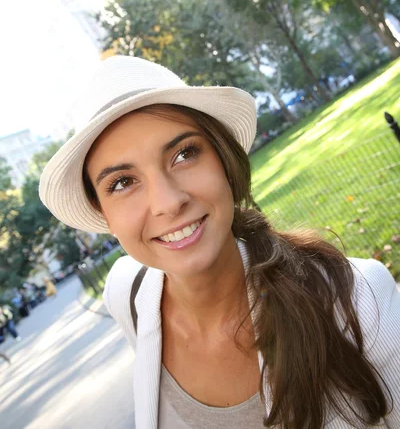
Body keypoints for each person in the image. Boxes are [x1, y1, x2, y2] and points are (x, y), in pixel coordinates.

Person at [39, 56, 400, 429]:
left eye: (184, 154)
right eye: (122, 182)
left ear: (223, 161)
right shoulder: (125, 293)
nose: (167, 202)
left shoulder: (356, 300)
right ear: (105, 216)